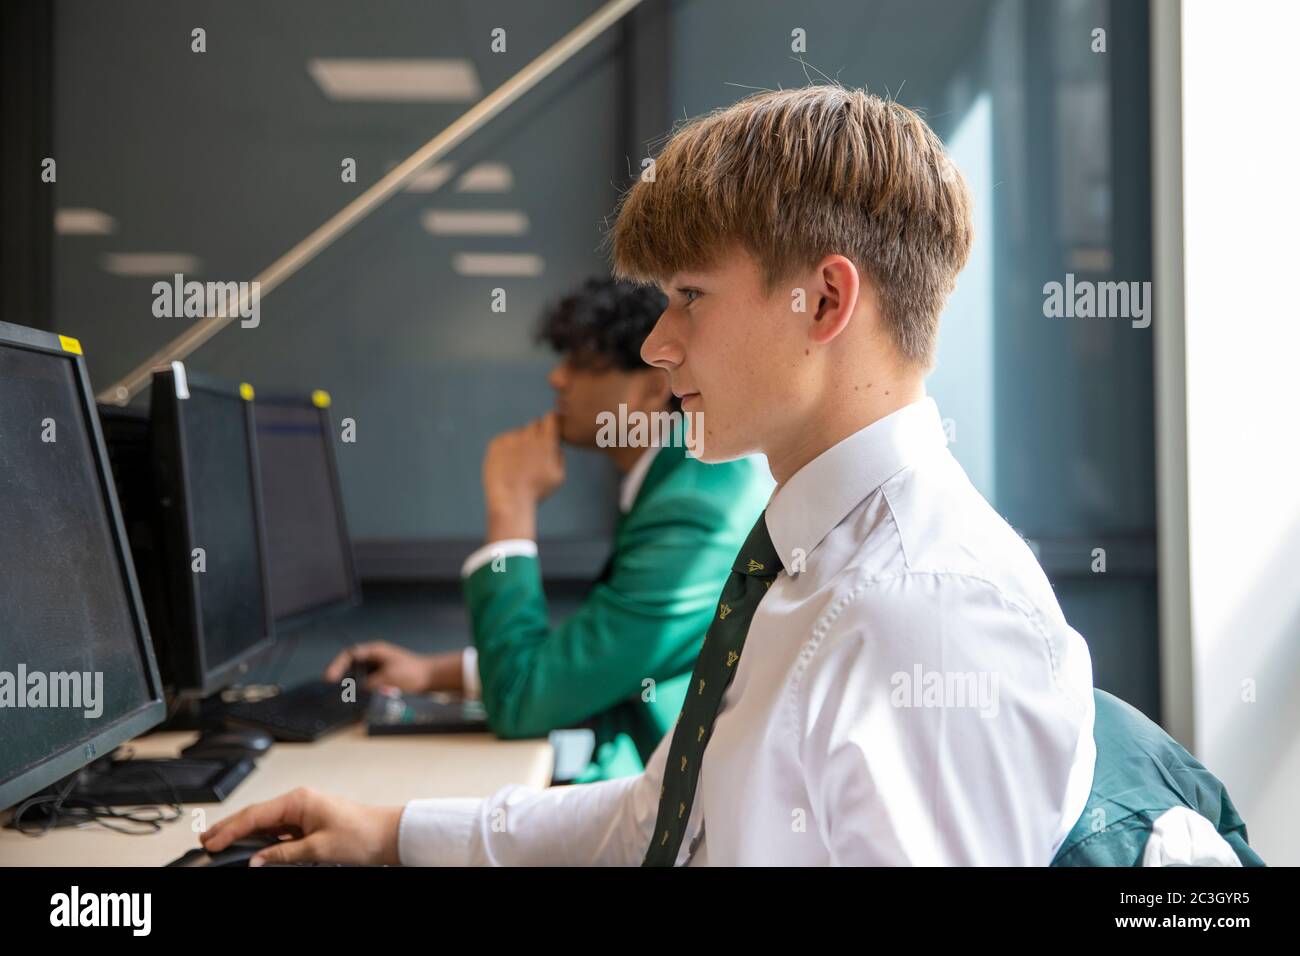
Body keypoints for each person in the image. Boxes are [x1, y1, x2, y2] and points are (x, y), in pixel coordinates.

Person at [203, 85, 1099, 865]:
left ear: (824, 301)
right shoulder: (803, 554)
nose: (655, 344)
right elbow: (655, 822)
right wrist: (393, 834)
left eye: (690, 297)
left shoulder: (925, 610)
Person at [324, 277, 772, 781]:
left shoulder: (696, 508)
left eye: (583, 364)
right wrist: (433, 674)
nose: (558, 380)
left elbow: (523, 704)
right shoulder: (677, 479)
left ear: (651, 387)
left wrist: (510, 505)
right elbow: (594, 656)